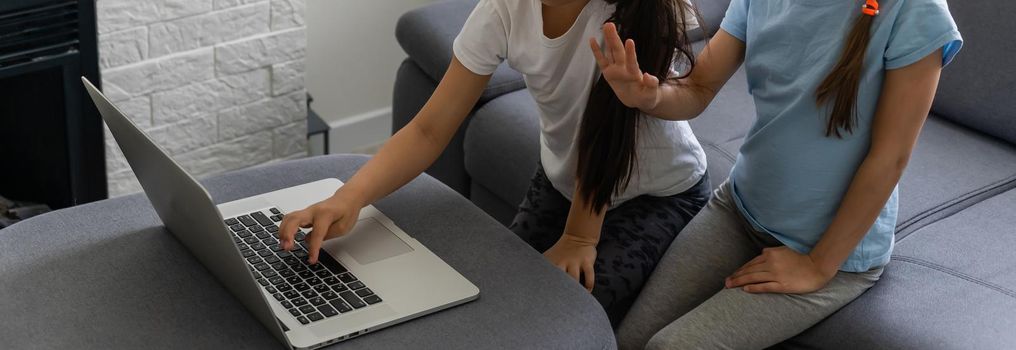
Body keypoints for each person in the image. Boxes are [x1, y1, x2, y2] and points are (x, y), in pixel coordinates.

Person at [279, 0, 709, 326]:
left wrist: (578, 237)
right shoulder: (504, 8)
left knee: (567, 318)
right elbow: (429, 128)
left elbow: (608, 139)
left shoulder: (637, 16)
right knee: (494, 298)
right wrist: (349, 197)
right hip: (564, 179)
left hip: (655, 192)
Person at [591, 0, 963, 347]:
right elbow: (698, 87)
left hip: (831, 253)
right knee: (625, 338)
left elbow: (891, 156)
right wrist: (648, 97)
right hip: (738, 209)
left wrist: (818, 265)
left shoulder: (916, 10)